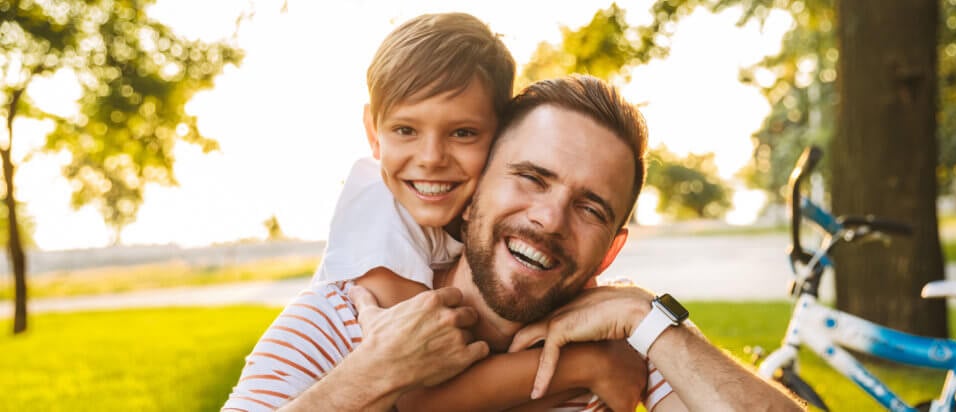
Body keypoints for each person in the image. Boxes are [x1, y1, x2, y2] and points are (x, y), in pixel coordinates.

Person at [224, 75, 802, 411]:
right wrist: (370, 374)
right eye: (531, 177)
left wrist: (645, 319)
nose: (550, 220)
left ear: (610, 252)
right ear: (471, 194)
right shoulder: (339, 327)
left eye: (589, 207)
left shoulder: (631, 352)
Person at [224, 12, 668, 411]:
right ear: (373, 133)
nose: (431, 158)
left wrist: (639, 328)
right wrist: (583, 366)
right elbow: (419, 386)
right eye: (405, 130)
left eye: (461, 132)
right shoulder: (367, 248)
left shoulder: (623, 330)